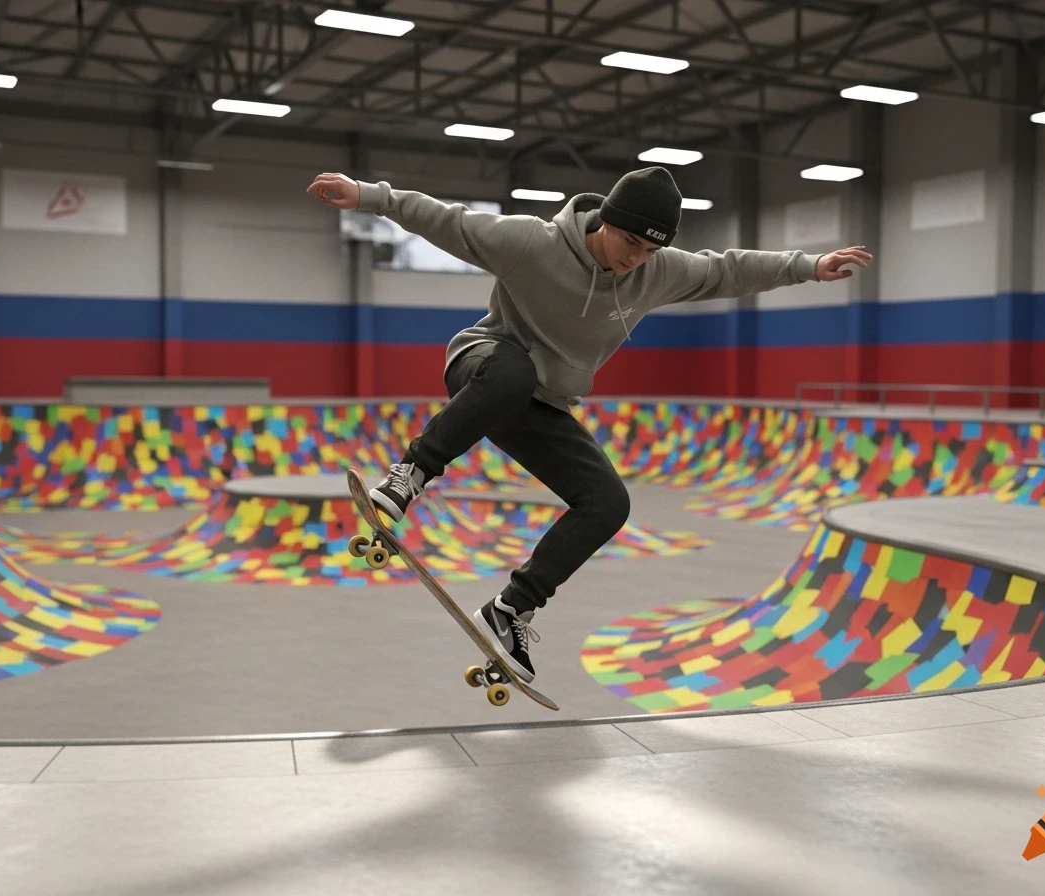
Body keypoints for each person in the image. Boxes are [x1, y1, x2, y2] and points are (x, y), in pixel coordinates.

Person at [307, 166, 871, 684]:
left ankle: (510, 610)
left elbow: (724, 269)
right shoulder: (534, 243)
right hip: (484, 364)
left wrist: (808, 268)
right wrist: (368, 197)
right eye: (631, 242)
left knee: (607, 502)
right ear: (606, 222)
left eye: (651, 249)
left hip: (543, 401)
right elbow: (447, 220)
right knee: (511, 370)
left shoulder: (656, 270)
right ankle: (408, 477)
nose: (637, 258)